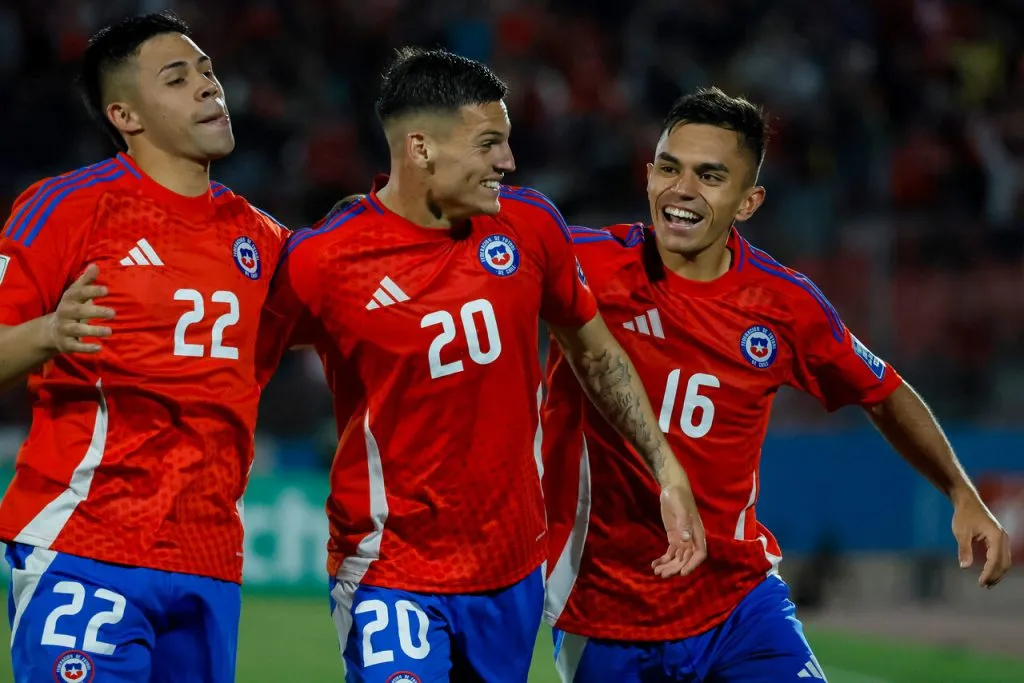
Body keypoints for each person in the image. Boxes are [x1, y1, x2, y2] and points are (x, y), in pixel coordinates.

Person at [257, 47, 706, 683]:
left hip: (510, 570)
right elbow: (230, 365)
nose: (508, 162)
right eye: (490, 143)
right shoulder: (322, 262)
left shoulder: (530, 225)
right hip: (391, 565)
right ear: (421, 149)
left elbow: (596, 352)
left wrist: (666, 466)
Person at [542, 87, 1012, 683]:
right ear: (648, 174)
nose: (682, 190)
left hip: (738, 600)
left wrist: (961, 490)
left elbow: (883, 392)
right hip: (603, 610)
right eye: (669, 167)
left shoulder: (785, 305)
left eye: (710, 176)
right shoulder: (581, 265)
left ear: (748, 201)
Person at [0, 11, 288, 683]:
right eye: (178, 77)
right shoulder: (66, 209)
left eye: (209, 71)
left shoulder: (265, 240)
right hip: (86, 541)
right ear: (125, 114)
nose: (208, 87)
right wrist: (46, 333)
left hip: (209, 560)